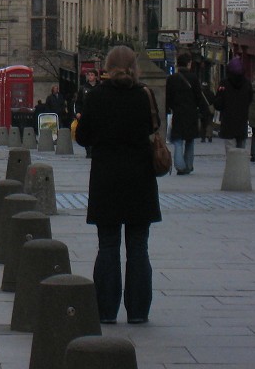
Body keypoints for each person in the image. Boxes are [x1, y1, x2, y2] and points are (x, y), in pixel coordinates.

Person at [74, 45, 161, 325]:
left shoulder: (96, 96)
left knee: (108, 246)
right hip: (140, 179)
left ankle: (106, 311)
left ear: (107, 68)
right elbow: (154, 129)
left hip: (106, 180)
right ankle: (138, 312)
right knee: (138, 248)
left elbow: (83, 137)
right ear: (134, 67)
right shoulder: (145, 95)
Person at [166, 52, 209, 175]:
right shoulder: (193, 78)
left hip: (178, 113)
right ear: (188, 64)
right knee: (190, 141)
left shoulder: (172, 79)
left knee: (178, 141)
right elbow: (198, 96)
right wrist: (203, 111)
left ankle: (180, 166)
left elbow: (168, 98)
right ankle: (188, 165)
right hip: (191, 113)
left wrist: (170, 108)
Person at [215, 57, 252, 149]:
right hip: (242, 121)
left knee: (230, 150)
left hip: (228, 122)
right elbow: (250, 99)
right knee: (241, 150)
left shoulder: (224, 83)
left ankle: (232, 163)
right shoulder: (247, 84)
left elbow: (218, 104)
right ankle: (240, 163)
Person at [74, 69, 100, 158]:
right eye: (89, 75)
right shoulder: (83, 88)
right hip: (86, 113)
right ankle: (88, 151)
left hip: (98, 113)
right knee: (87, 132)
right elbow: (78, 102)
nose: (90, 77)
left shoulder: (100, 87)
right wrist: (78, 112)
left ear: (96, 76)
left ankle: (95, 149)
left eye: (92, 75)